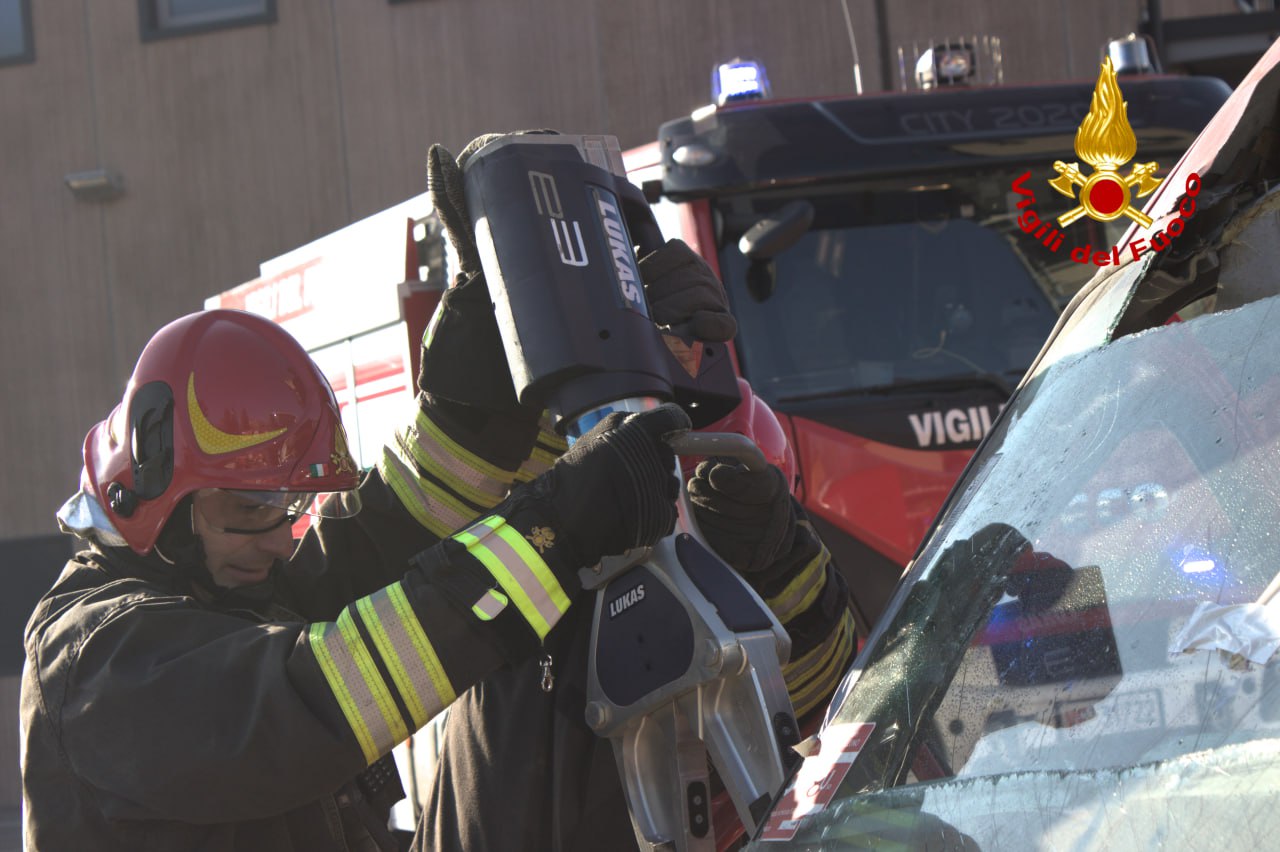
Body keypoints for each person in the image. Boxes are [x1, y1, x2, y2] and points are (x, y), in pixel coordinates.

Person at [413, 136, 859, 852]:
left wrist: (773, 566)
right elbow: (443, 518)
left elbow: (822, 711)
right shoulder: (520, 554)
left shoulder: (747, 535)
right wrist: (491, 318)